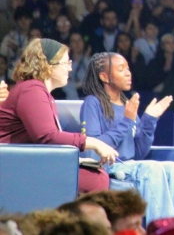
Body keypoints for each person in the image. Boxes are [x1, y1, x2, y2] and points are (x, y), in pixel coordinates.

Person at [80, 51, 174, 222]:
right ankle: (163, 229)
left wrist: (149, 120)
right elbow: (93, 148)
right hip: (109, 167)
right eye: (121, 69)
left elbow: (139, 152)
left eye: (128, 69)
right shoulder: (92, 102)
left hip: (130, 165)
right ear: (104, 76)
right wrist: (126, 121)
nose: (128, 73)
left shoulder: (127, 105)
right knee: (152, 169)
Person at [0, 38, 116, 194]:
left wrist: (77, 160)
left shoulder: (40, 92)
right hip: (14, 166)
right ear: (47, 66)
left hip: (27, 162)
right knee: (94, 180)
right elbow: (47, 137)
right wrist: (93, 142)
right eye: (66, 63)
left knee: (97, 175)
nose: (70, 69)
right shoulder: (32, 90)